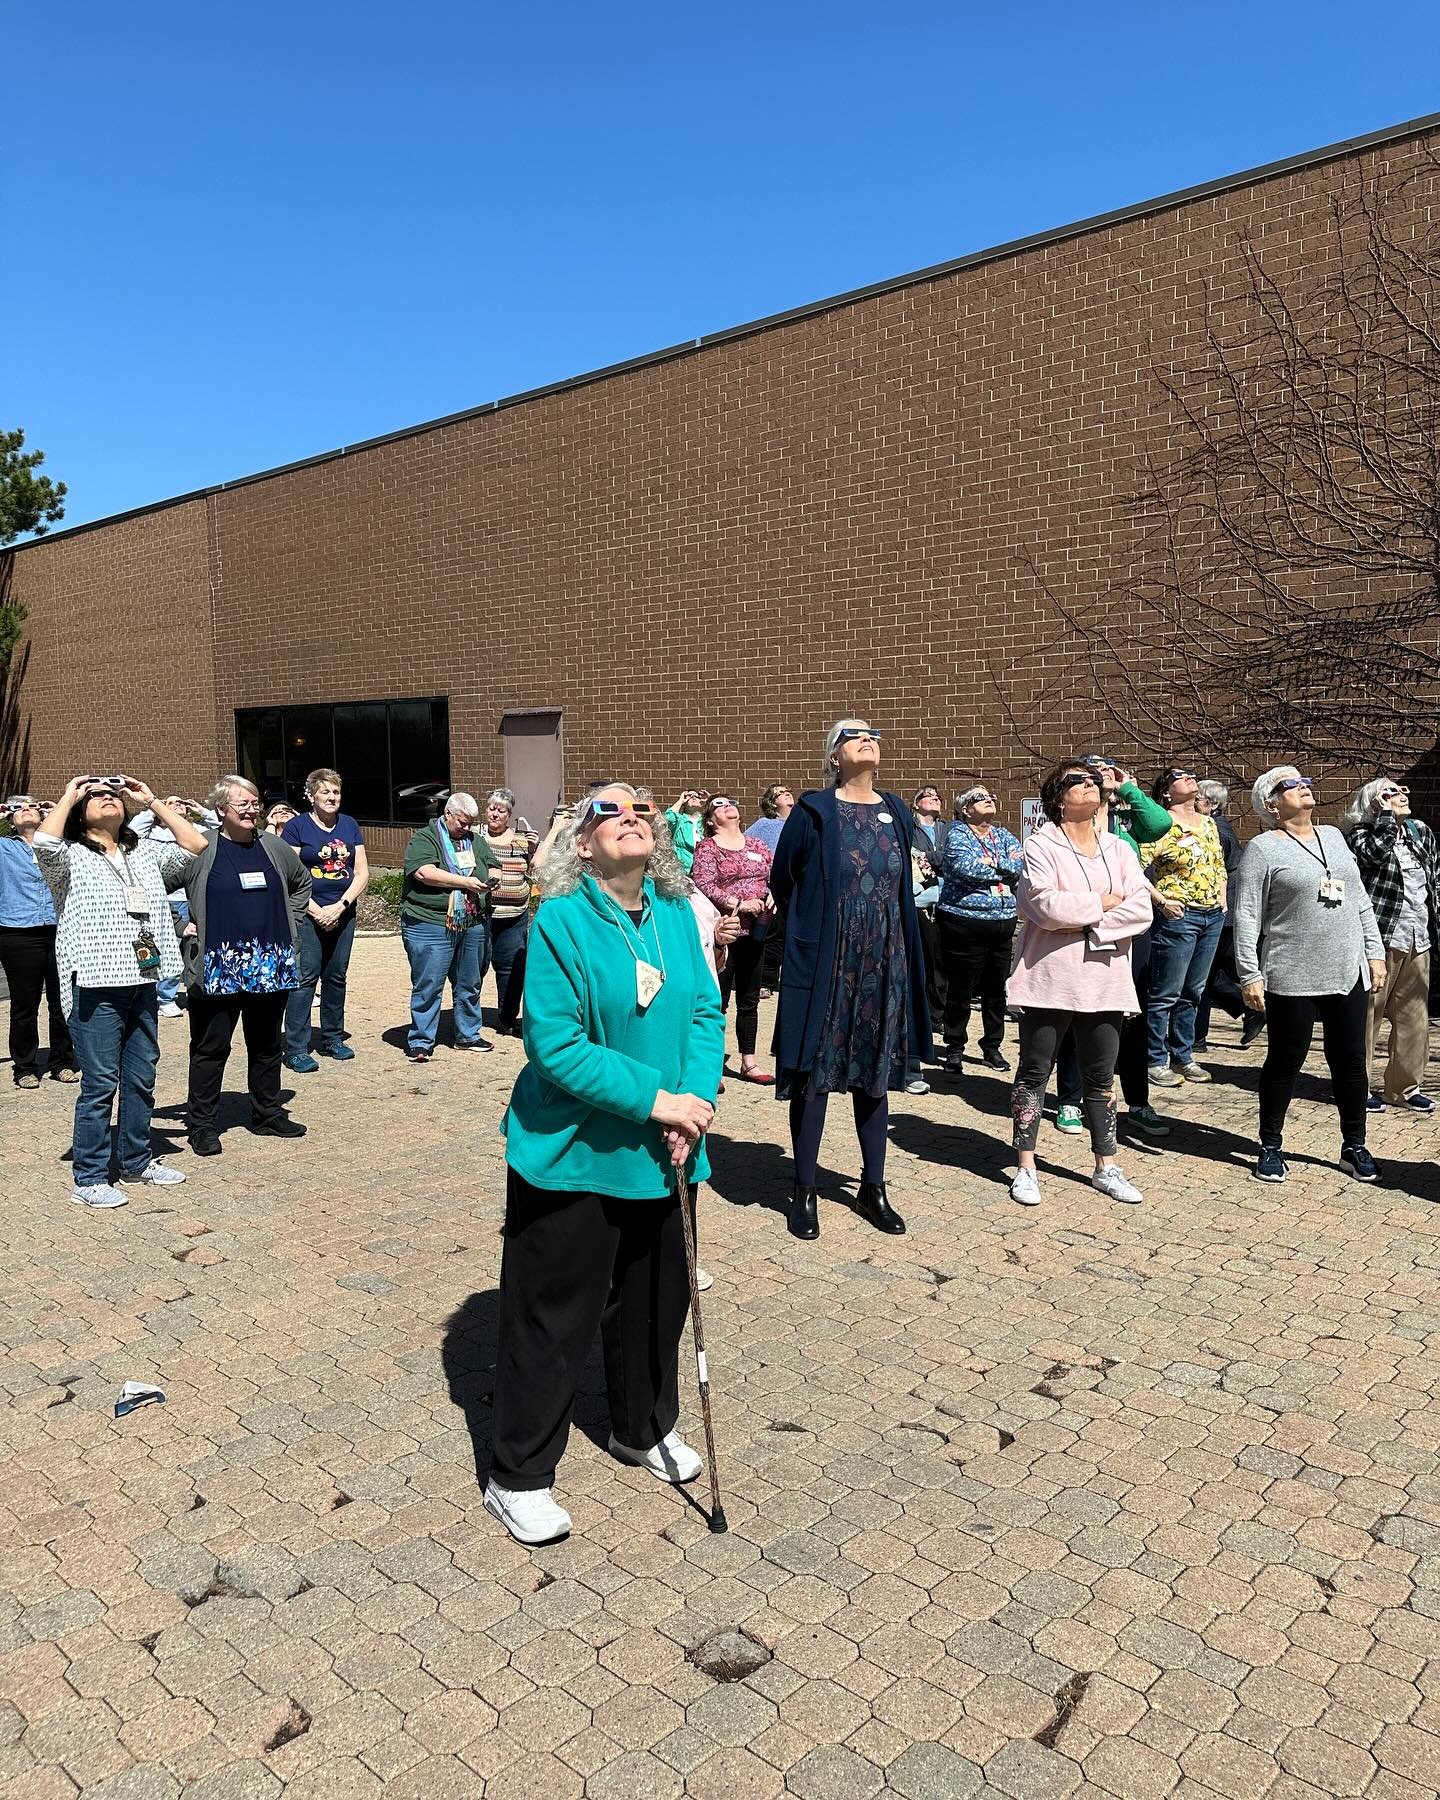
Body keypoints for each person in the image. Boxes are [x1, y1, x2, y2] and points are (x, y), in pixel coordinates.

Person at [484, 784, 724, 1545]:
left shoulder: (679, 918)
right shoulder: (559, 920)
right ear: (581, 845)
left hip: (669, 1150)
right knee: (553, 1320)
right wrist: (661, 1102)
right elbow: (554, 1046)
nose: (629, 815)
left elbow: (703, 1015)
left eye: (640, 809)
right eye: (607, 810)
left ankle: (641, 1427)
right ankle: (517, 1473)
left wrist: (695, 1103)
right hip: (575, 1156)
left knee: (657, 1309)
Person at [770, 719, 932, 1240]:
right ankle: (804, 1187)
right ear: (834, 755)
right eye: (851, 733)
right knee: (815, 1074)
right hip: (829, 959)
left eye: (873, 732)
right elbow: (785, 877)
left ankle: (874, 1186)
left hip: (885, 957)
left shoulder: (897, 811)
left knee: (874, 1074)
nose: (866, 737)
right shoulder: (814, 811)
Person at [33, 776, 209, 1207]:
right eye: (95, 796)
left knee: (141, 1077)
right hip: (94, 982)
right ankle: (89, 1176)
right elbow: (43, 842)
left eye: (112, 794)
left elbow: (196, 846)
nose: (107, 796)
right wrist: (72, 790)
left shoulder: (142, 851)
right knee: (100, 1083)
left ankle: (136, 1160)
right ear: (78, 811)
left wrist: (150, 800)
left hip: (143, 979)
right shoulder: (68, 855)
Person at [1007, 762, 1154, 1208]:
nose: (1089, 783)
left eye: (1093, 778)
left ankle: (1106, 1165)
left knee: (1101, 1077)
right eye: (1077, 779)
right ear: (1057, 797)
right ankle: (1026, 1166)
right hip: (1051, 977)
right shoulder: (1040, 845)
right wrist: (1106, 904)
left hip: (1106, 980)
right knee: (1035, 1072)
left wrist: (1091, 922)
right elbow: (1046, 905)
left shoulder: (1119, 849)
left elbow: (1142, 908)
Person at [1233, 767, 1386, 1183]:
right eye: (1291, 785)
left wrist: (1374, 952)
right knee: (1286, 1061)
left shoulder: (1334, 838)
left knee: (1351, 1061)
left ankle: (1354, 1146)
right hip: (1291, 972)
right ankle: (1270, 1145)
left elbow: (1359, 899)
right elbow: (1246, 915)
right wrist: (1250, 974)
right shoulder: (1262, 849)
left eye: (1305, 783)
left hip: (1345, 968)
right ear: (1271, 802)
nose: (1303, 788)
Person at [174, 777, 311, 1155]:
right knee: (210, 1047)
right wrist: (176, 924)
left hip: (270, 962)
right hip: (218, 964)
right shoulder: (201, 848)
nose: (253, 810)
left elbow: (301, 883)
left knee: (266, 1043)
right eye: (243, 804)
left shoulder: (273, 846)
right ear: (221, 809)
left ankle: (267, 1113)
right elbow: (155, 886)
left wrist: (292, 924)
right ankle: (202, 1124)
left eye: (256, 803)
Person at [1053, 760, 1177, 1140]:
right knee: (1078, 1011)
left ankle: (1137, 1103)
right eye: (1092, 769)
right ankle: (1070, 1099)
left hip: (1129, 932)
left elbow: (1160, 825)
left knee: (1131, 1017)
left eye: (1109, 767)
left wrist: (1128, 789)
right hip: (1083, 927)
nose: (1103, 771)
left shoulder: (1125, 822)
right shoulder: (1069, 830)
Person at [1342, 777, 1439, 1115]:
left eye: (1402, 790)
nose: (1400, 796)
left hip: (1418, 936)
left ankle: (1404, 1088)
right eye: (1390, 792)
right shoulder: (1360, 834)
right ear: (1373, 803)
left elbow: (1434, 878)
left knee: (1415, 1017)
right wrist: (1384, 819)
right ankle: (1358, 1085)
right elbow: (1373, 857)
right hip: (1380, 939)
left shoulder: (1419, 833)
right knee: (1368, 1014)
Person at [1138, 767, 1227, 1088]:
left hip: (1211, 916)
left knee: (1193, 992)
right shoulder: (1160, 825)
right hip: (1178, 917)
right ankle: (1155, 1059)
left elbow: (1218, 864)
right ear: (1166, 792)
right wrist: (1161, 901)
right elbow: (1133, 868)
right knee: (1165, 992)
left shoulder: (1209, 824)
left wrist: (1222, 896)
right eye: (1180, 776)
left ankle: (1183, 1055)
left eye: (1192, 774)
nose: (1191, 777)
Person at [400, 792, 499, 1062]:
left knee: (470, 981)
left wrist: (492, 878)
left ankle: (468, 1034)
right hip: (430, 921)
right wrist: (465, 882)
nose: (466, 828)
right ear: (447, 814)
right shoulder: (425, 838)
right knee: (429, 983)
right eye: (462, 823)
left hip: (471, 921)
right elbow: (424, 872)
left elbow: (492, 864)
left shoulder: (474, 841)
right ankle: (421, 1041)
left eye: (470, 824)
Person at [281, 769, 369, 1072]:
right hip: (308, 914)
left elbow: (362, 872)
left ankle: (332, 1038)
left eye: (336, 793)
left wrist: (342, 906)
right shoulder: (296, 828)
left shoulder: (349, 825)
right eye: (325, 792)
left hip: (343, 914)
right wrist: (317, 910)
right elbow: (289, 877)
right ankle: (295, 1047)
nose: (332, 798)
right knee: (305, 978)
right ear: (311, 796)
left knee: (336, 976)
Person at [936, 785, 1024, 1077]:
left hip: (1002, 922)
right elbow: (963, 867)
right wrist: (1001, 868)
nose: (988, 800)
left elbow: (1019, 865)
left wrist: (992, 864)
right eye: (979, 798)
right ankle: (954, 1047)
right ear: (965, 809)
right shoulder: (958, 834)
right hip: (965, 922)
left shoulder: (1003, 835)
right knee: (960, 988)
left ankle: (992, 1047)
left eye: (990, 797)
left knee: (996, 989)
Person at [689, 793, 774, 1083]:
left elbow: (772, 874)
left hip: (757, 929)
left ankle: (748, 1062)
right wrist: (736, 902)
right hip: (722, 931)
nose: (728, 806)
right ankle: (710, 1064)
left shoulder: (757, 845)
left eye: (730, 802)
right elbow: (702, 883)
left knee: (750, 998)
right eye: (718, 805)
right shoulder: (707, 848)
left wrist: (773, 892)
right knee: (718, 999)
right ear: (711, 821)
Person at [0, 795, 77, 1089]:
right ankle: (25, 1067)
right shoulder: (5, 847)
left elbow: (83, 843)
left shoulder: (60, 846)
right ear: (10, 819)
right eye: (19, 808)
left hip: (60, 929)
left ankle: (61, 1061)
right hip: (18, 932)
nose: (28, 810)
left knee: (62, 1001)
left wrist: (60, 812)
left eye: (33, 805)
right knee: (24, 1004)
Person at [131, 797, 218, 1021]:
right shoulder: (154, 833)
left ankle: (193, 988)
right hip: (164, 897)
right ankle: (165, 998)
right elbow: (132, 831)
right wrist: (153, 808)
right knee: (162, 948)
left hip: (191, 897)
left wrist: (200, 810)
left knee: (191, 947)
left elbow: (219, 827)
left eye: (180, 802)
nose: (177, 803)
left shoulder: (196, 829)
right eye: (170, 802)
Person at [1192, 779, 1262, 1052]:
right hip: (1225, 909)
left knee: (1203, 974)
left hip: (1222, 909)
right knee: (1210, 974)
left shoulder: (1215, 830)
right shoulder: (1220, 826)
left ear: (1211, 803)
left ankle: (1198, 1037)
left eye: (1197, 798)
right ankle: (1249, 1008)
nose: (1193, 803)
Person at [479, 788, 540, 1037]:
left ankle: (507, 1019)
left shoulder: (522, 840)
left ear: (509, 814)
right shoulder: (475, 838)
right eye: (491, 808)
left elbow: (534, 871)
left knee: (511, 970)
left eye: (500, 810)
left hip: (515, 916)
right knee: (474, 968)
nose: (494, 814)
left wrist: (534, 849)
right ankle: (468, 1022)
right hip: (481, 915)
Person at [904, 784, 948, 1093]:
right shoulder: (909, 827)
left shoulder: (948, 828)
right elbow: (911, 859)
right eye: (928, 795)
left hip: (945, 901)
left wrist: (931, 859)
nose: (935, 798)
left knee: (943, 964)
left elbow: (948, 858)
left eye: (938, 795)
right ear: (916, 803)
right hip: (920, 903)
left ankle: (938, 1015)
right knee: (924, 960)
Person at [746, 785, 794, 995]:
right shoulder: (765, 825)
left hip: (794, 889)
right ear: (772, 803)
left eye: (787, 791)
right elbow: (746, 847)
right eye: (780, 793)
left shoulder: (799, 822)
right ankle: (764, 981)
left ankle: (779, 979)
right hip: (770, 891)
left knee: (787, 936)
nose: (787, 793)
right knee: (771, 935)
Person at [662, 790, 708, 875]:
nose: (694, 797)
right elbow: (667, 818)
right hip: (682, 871)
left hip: (704, 870)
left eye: (697, 796)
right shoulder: (679, 820)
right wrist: (680, 800)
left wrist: (709, 801)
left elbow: (723, 820)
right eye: (690, 796)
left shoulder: (706, 821)